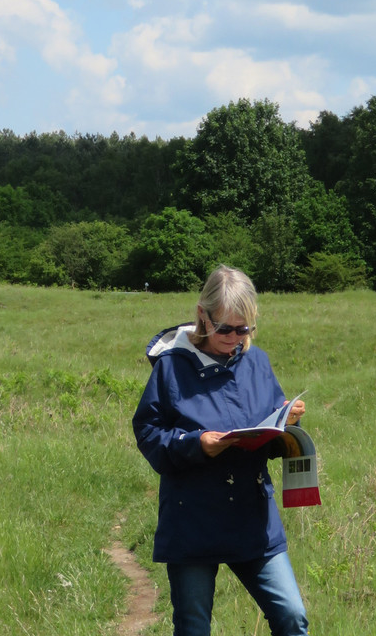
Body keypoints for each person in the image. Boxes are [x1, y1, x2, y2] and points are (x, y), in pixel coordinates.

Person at [132, 265, 309, 636]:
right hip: (192, 520)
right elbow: (149, 433)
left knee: (293, 617)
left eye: (243, 329)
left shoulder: (257, 362)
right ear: (202, 314)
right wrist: (197, 445)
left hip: (252, 517)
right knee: (194, 627)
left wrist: (285, 423)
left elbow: (268, 427)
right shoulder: (170, 369)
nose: (233, 337)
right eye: (224, 328)